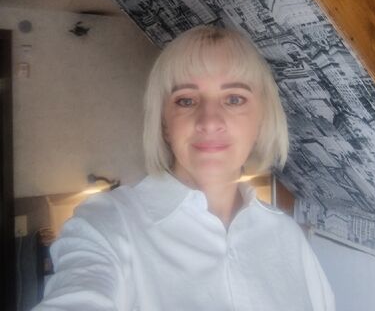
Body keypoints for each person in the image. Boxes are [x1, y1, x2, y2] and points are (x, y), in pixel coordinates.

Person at [34, 26, 335, 310]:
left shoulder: (288, 237)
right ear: (164, 124)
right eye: (186, 101)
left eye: (234, 99)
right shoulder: (106, 225)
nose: (209, 121)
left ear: (261, 120)